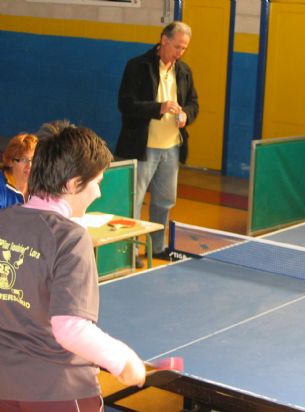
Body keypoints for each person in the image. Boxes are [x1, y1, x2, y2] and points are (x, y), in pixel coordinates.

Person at [0, 120, 145, 411]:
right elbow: (70, 328)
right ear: (72, 183)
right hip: (57, 389)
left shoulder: (5, 220)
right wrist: (123, 360)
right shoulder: (70, 237)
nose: (98, 193)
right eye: (97, 183)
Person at [116, 21, 199, 262]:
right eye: (177, 46)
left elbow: (194, 103)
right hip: (142, 147)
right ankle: (129, 252)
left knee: (164, 201)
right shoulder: (137, 67)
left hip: (171, 148)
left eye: (184, 48)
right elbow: (126, 104)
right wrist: (159, 108)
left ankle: (158, 246)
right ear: (164, 40)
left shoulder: (184, 71)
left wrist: (186, 116)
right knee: (134, 201)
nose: (180, 52)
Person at [0, 133, 38, 209]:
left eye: (33, 159)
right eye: (23, 159)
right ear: (10, 161)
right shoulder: (1, 189)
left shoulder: (41, 187)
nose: (29, 165)